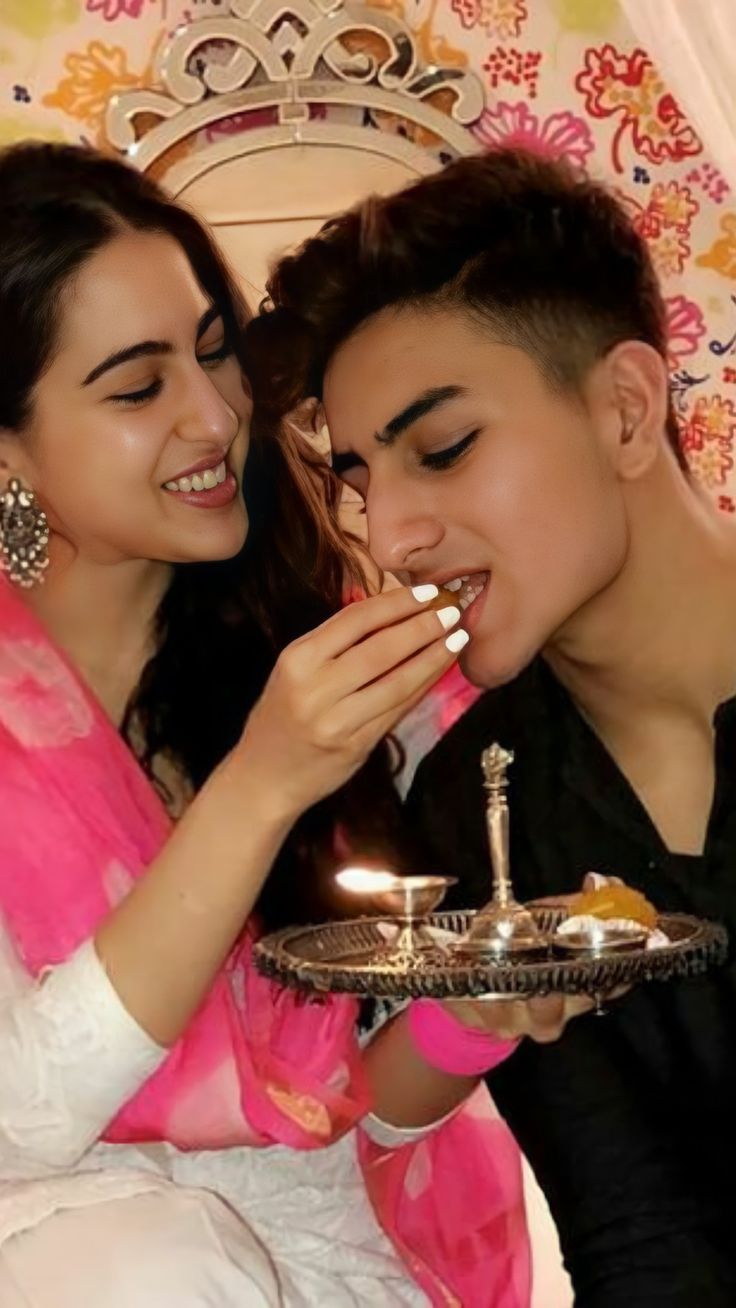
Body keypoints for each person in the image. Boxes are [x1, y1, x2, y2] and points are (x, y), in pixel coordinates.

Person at [0, 142, 531, 1308]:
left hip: (347, 1270)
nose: (215, 416)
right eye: (137, 388)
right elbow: (22, 1118)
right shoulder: (292, 728)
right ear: (9, 445)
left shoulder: (323, 660)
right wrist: (261, 782)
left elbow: (334, 1121)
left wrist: (480, 1014)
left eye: (211, 353)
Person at [248, 147, 736, 1308]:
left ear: (624, 409)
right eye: (362, 478)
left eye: (446, 448)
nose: (395, 534)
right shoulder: (478, 798)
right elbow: (635, 1236)